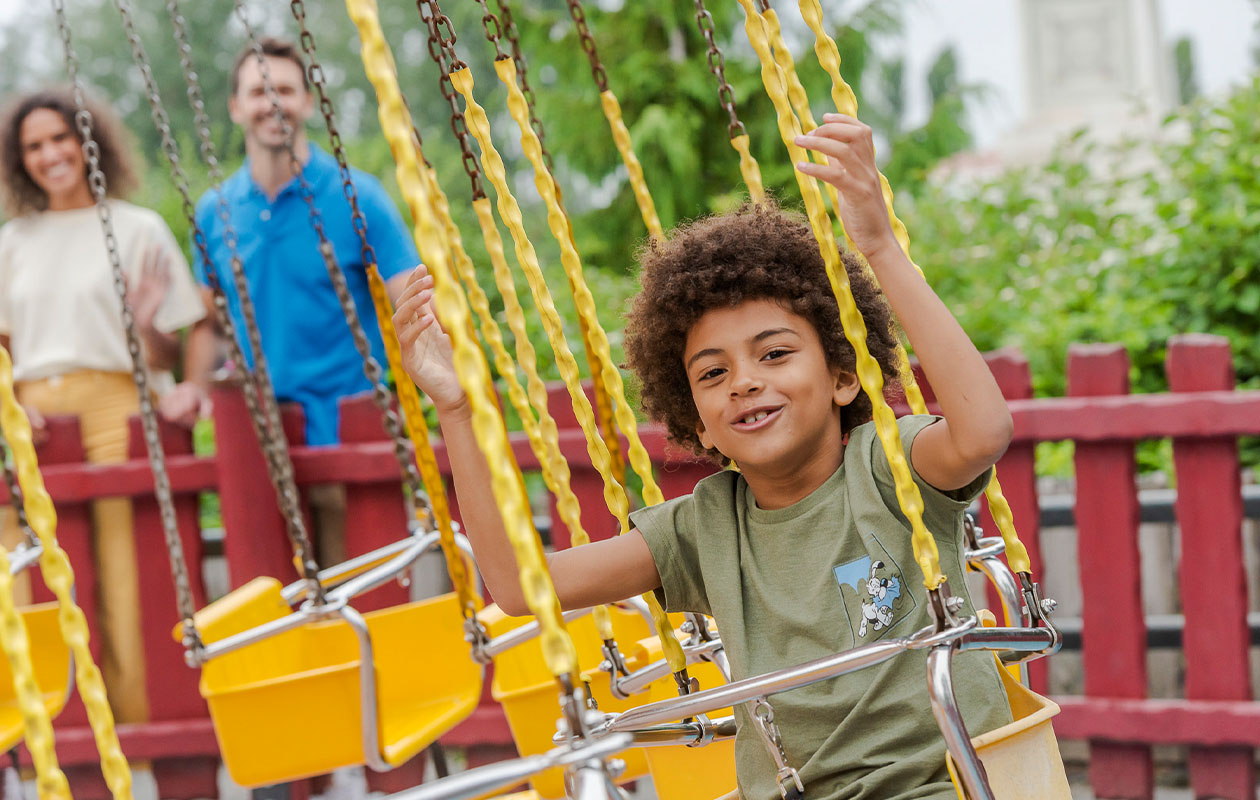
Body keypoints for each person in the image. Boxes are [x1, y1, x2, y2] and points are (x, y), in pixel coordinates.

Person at [393, 113, 1016, 799]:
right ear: (701, 425)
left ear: (843, 375)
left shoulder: (889, 466)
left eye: (775, 354)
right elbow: (518, 586)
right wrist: (457, 407)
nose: (745, 380)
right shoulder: (705, 527)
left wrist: (881, 248)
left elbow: (982, 432)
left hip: (944, 784)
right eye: (713, 374)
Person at [0, 87, 210, 726]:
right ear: (20, 160)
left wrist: (170, 356)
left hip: (117, 407)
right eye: (34, 146)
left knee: (125, 578)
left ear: (88, 141)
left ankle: (143, 730)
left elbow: (184, 340)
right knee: (40, 578)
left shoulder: (135, 228)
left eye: (60, 138)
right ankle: (59, 741)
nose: (50, 155)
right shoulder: (12, 240)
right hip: (35, 418)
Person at [192, 37, 419, 564]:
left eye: (286, 89)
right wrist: (193, 389)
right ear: (235, 107)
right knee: (271, 590)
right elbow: (209, 324)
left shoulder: (357, 195)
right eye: (257, 91)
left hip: (345, 430)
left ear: (308, 102)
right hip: (256, 440)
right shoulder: (213, 211)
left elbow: (411, 299)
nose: (273, 102)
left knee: (358, 585)